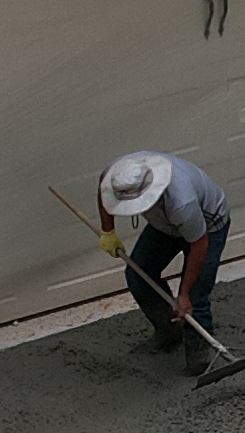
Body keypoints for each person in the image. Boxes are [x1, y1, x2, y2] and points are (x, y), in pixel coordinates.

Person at [99, 151, 237, 371]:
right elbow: (103, 191)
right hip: (164, 225)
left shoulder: (182, 202)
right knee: (138, 273)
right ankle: (168, 331)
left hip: (208, 226)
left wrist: (183, 294)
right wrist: (108, 231)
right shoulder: (116, 175)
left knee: (195, 296)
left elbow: (198, 245)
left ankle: (199, 354)